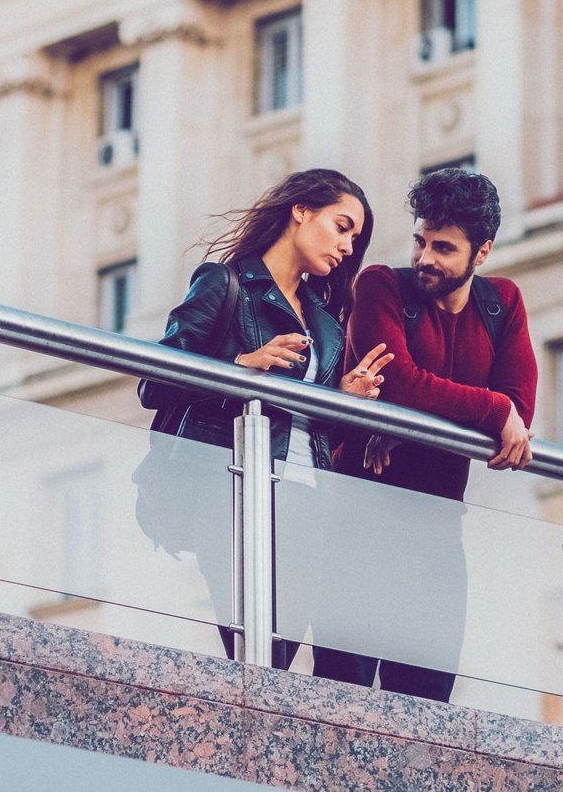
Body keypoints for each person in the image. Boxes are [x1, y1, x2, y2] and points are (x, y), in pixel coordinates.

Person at [136, 168, 393, 667]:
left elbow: (311, 427)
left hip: (308, 498)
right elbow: (154, 381)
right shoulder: (224, 284)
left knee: (277, 653)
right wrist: (241, 367)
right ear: (300, 210)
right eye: (342, 227)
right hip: (232, 490)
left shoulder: (324, 323)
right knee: (253, 644)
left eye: (354, 239)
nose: (346, 247)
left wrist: (345, 399)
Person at [311, 168, 538, 701]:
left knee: (427, 717)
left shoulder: (501, 303)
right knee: (341, 705)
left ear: (481, 253)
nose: (425, 258)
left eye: (443, 247)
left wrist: (421, 422)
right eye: (420, 240)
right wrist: (489, 407)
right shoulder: (381, 286)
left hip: (437, 540)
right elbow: (402, 382)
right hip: (356, 528)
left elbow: (519, 416)